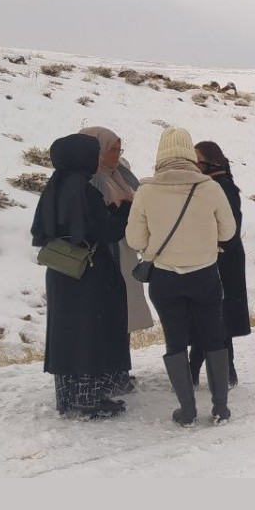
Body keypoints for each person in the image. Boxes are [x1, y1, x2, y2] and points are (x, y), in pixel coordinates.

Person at [126, 127, 237, 426]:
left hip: (165, 278)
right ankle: (220, 408)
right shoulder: (210, 188)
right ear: (190, 153)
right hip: (205, 276)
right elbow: (228, 232)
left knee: (174, 341)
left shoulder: (147, 190)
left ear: (160, 153)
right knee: (213, 336)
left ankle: (186, 409)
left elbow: (135, 240)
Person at [31, 133, 129, 419]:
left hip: (60, 270)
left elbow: (48, 228)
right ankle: (89, 399)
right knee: (90, 332)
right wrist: (124, 214)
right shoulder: (85, 190)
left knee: (66, 334)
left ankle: (67, 397)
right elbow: (105, 230)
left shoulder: (54, 185)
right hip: (89, 270)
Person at [79, 126, 154, 395]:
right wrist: (125, 216)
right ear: (96, 150)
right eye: (112, 149)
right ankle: (107, 374)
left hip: (124, 252)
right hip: (104, 256)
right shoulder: (89, 179)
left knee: (123, 315)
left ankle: (121, 371)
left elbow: (140, 195)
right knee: (108, 316)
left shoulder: (118, 173)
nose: (117, 154)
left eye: (120, 149)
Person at [188, 141, 250, 389]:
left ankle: (215, 369)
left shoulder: (221, 188)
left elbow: (228, 231)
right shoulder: (216, 185)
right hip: (220, 258)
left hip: (222, 260)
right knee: (214, 315)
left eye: (197, 159)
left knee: (215, 315)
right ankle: (222, 369)